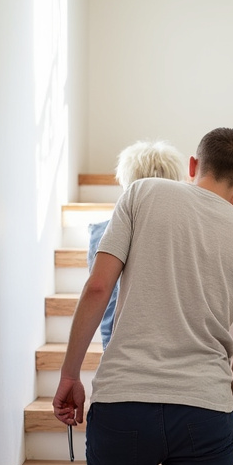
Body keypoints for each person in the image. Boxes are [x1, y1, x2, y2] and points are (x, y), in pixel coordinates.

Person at [52, 127, 233, 465]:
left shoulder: (142, 194)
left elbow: (98, 288)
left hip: (122, 405)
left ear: (193, 166)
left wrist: (69, 374)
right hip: (206, 415)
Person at [87, 140, 187, 349]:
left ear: (126, 182)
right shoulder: (189, 232)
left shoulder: (102, 233)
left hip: (122, 349)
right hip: (178, 347)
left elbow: (104, 300)